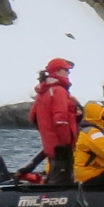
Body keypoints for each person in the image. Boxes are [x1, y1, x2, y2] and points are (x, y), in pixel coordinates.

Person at [29, 57, 78, 186]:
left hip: (50, 144)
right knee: (61, 180)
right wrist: (66, 142)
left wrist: (47, 133)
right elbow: (60, 119)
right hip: (61, 145)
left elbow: (33, 117)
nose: (68, 73)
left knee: (54, 174)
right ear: (57, 71)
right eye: (66, 70)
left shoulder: (43, 92)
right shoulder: (58, 91)